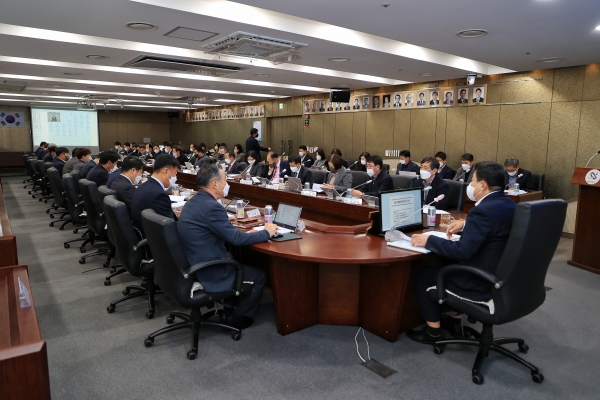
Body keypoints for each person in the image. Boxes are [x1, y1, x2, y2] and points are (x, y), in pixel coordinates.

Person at [407, 161, 516, 344]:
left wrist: (429, 240)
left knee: (425, 274)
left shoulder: (482, 211)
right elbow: (496, 228)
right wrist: (466, 224)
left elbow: (462, 252)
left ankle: (433, 331)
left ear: (483, 185)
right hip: (502, 277)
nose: (470, 185)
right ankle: (454, 321)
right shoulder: (509, 205)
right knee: (449, 265)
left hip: (479, 281)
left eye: (473, 181)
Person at [177, 163, 278, 330]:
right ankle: (239, 318)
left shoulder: (193, 201)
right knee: (259, 275)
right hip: (209, 270)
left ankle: (229, 308)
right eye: (225, 180)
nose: (227, 184)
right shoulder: (212, 207)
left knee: (236, 259)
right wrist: (266, 232)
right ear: (215, 184)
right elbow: (236, 239)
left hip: (193, 262)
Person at [131, 154, 180, 235]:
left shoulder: (142, 187)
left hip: (141, 233)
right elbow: (171, 227)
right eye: (175, 172)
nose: (175, 177)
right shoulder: (159, 195)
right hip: (154, 238)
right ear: (166, 171)